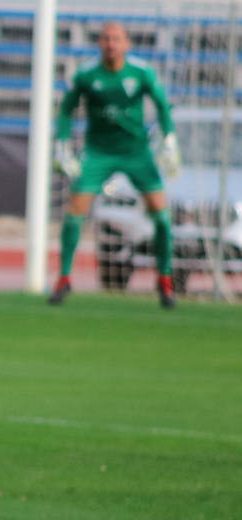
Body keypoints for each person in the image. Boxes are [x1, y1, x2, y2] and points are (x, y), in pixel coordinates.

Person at [50, 21, 179, 308]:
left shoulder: (141, 72)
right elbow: (67, 110)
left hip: (136, 151)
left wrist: (168, 137)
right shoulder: (86, 74)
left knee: (161, 214)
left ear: (126, 43)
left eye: (116, 39)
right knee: (75, 211)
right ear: (100, 43)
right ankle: (64, 279)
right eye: (106, 39)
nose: (111, 44)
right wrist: (62, 143)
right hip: (98, 152)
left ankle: (165, 280)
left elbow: (162, 104)